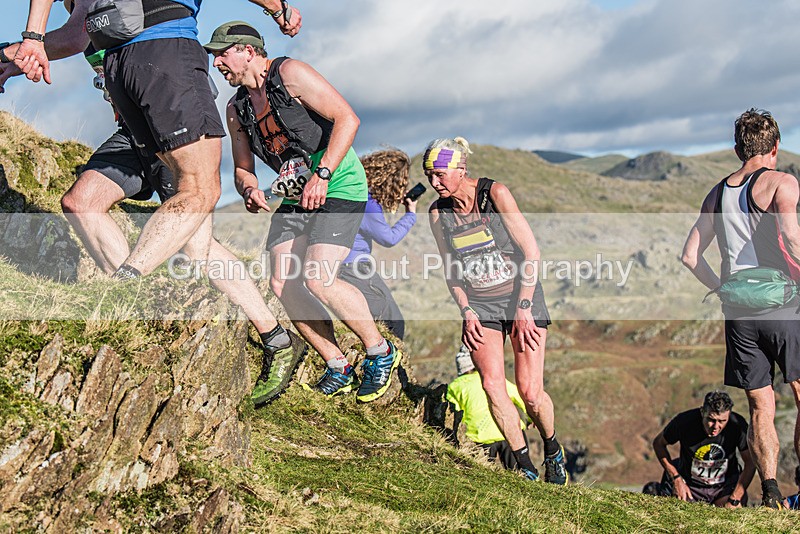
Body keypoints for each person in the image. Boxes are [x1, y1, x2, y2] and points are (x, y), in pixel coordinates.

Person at [0, 0, 308, 409]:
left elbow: (71, 37)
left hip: (167, 80)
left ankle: (273, 337)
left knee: (196, 236)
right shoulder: (98, 14)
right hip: (136, 108)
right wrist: (21, 50)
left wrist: (21, 48)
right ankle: (134, 298)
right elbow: (76, 35)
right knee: (82, 203)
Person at [207, 21, 401, 403]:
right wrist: (249, 190)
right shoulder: (236, 108)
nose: (217, 63)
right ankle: (337, 364)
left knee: (318, 278)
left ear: (248, 51)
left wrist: (323, 174)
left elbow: (348, 119)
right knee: (282, 283)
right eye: (214, 57)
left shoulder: (290, 73)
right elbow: (243, 167)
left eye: (222, 54)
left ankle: (380, 351)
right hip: (297, 194)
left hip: (338, 183)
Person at [425, 136, 567, 484]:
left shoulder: (495, 194)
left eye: (440, 174)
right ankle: (525, 467)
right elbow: (451, 269)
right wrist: (466, 311)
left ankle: (553, 450)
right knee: (491, 384)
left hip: (522, 297)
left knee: (530, 391)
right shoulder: (438, 213)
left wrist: (524, 307)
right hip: (481, 305)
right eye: (429, 175)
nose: (434, 182)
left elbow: (531, 252)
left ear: (462, 169)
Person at [682, 108, 800, 508]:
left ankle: (770, 492)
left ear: (737, 149)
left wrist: (723, 289)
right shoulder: (782, 183)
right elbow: (792, 238)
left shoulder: (716, 195)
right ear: (776, 147)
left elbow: (690, 256)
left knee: (761, 406)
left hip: (739, 314)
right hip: (783, 304)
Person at [338, 149, 417, 340]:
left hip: (338, 264)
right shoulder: (367, 202)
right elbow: (387, 238)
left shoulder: (350, 190)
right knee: (392, 322)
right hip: (353, 267)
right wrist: (411, 214)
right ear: (391, 181)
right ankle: (389, 356)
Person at [644, 391, 755, 507]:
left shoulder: (737, 425)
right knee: (679, 512)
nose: (716, 427)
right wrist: (676, 478)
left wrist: (735, 498)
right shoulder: (684, 422)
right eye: (711, 420)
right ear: (702, 412)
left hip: (724, 487)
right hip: (690, 487)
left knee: (734, 510)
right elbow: (659, 443)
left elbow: (751, 462)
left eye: (722, 421)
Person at [446, 344, 532, 470]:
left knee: (480, 472)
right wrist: (530, 419)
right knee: (521, 471)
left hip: (479, 437)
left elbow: (454, 413)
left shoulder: (454, 387)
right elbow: (520, 397)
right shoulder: (494, 379)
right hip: (509, 431)